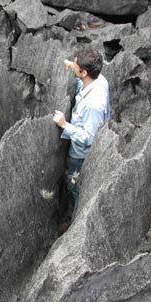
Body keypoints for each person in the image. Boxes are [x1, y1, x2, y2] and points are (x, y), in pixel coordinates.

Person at [53, 48, 110, 228]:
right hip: (82, 142)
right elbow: (83, 84)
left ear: (84, 72)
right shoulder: (99, 79)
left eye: (75, 65)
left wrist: (64, 124)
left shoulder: (94, 105)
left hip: (81, 154)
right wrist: (73, 67)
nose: (73, 65)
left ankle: (74, 216)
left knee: (73, 184)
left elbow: (88, 137)